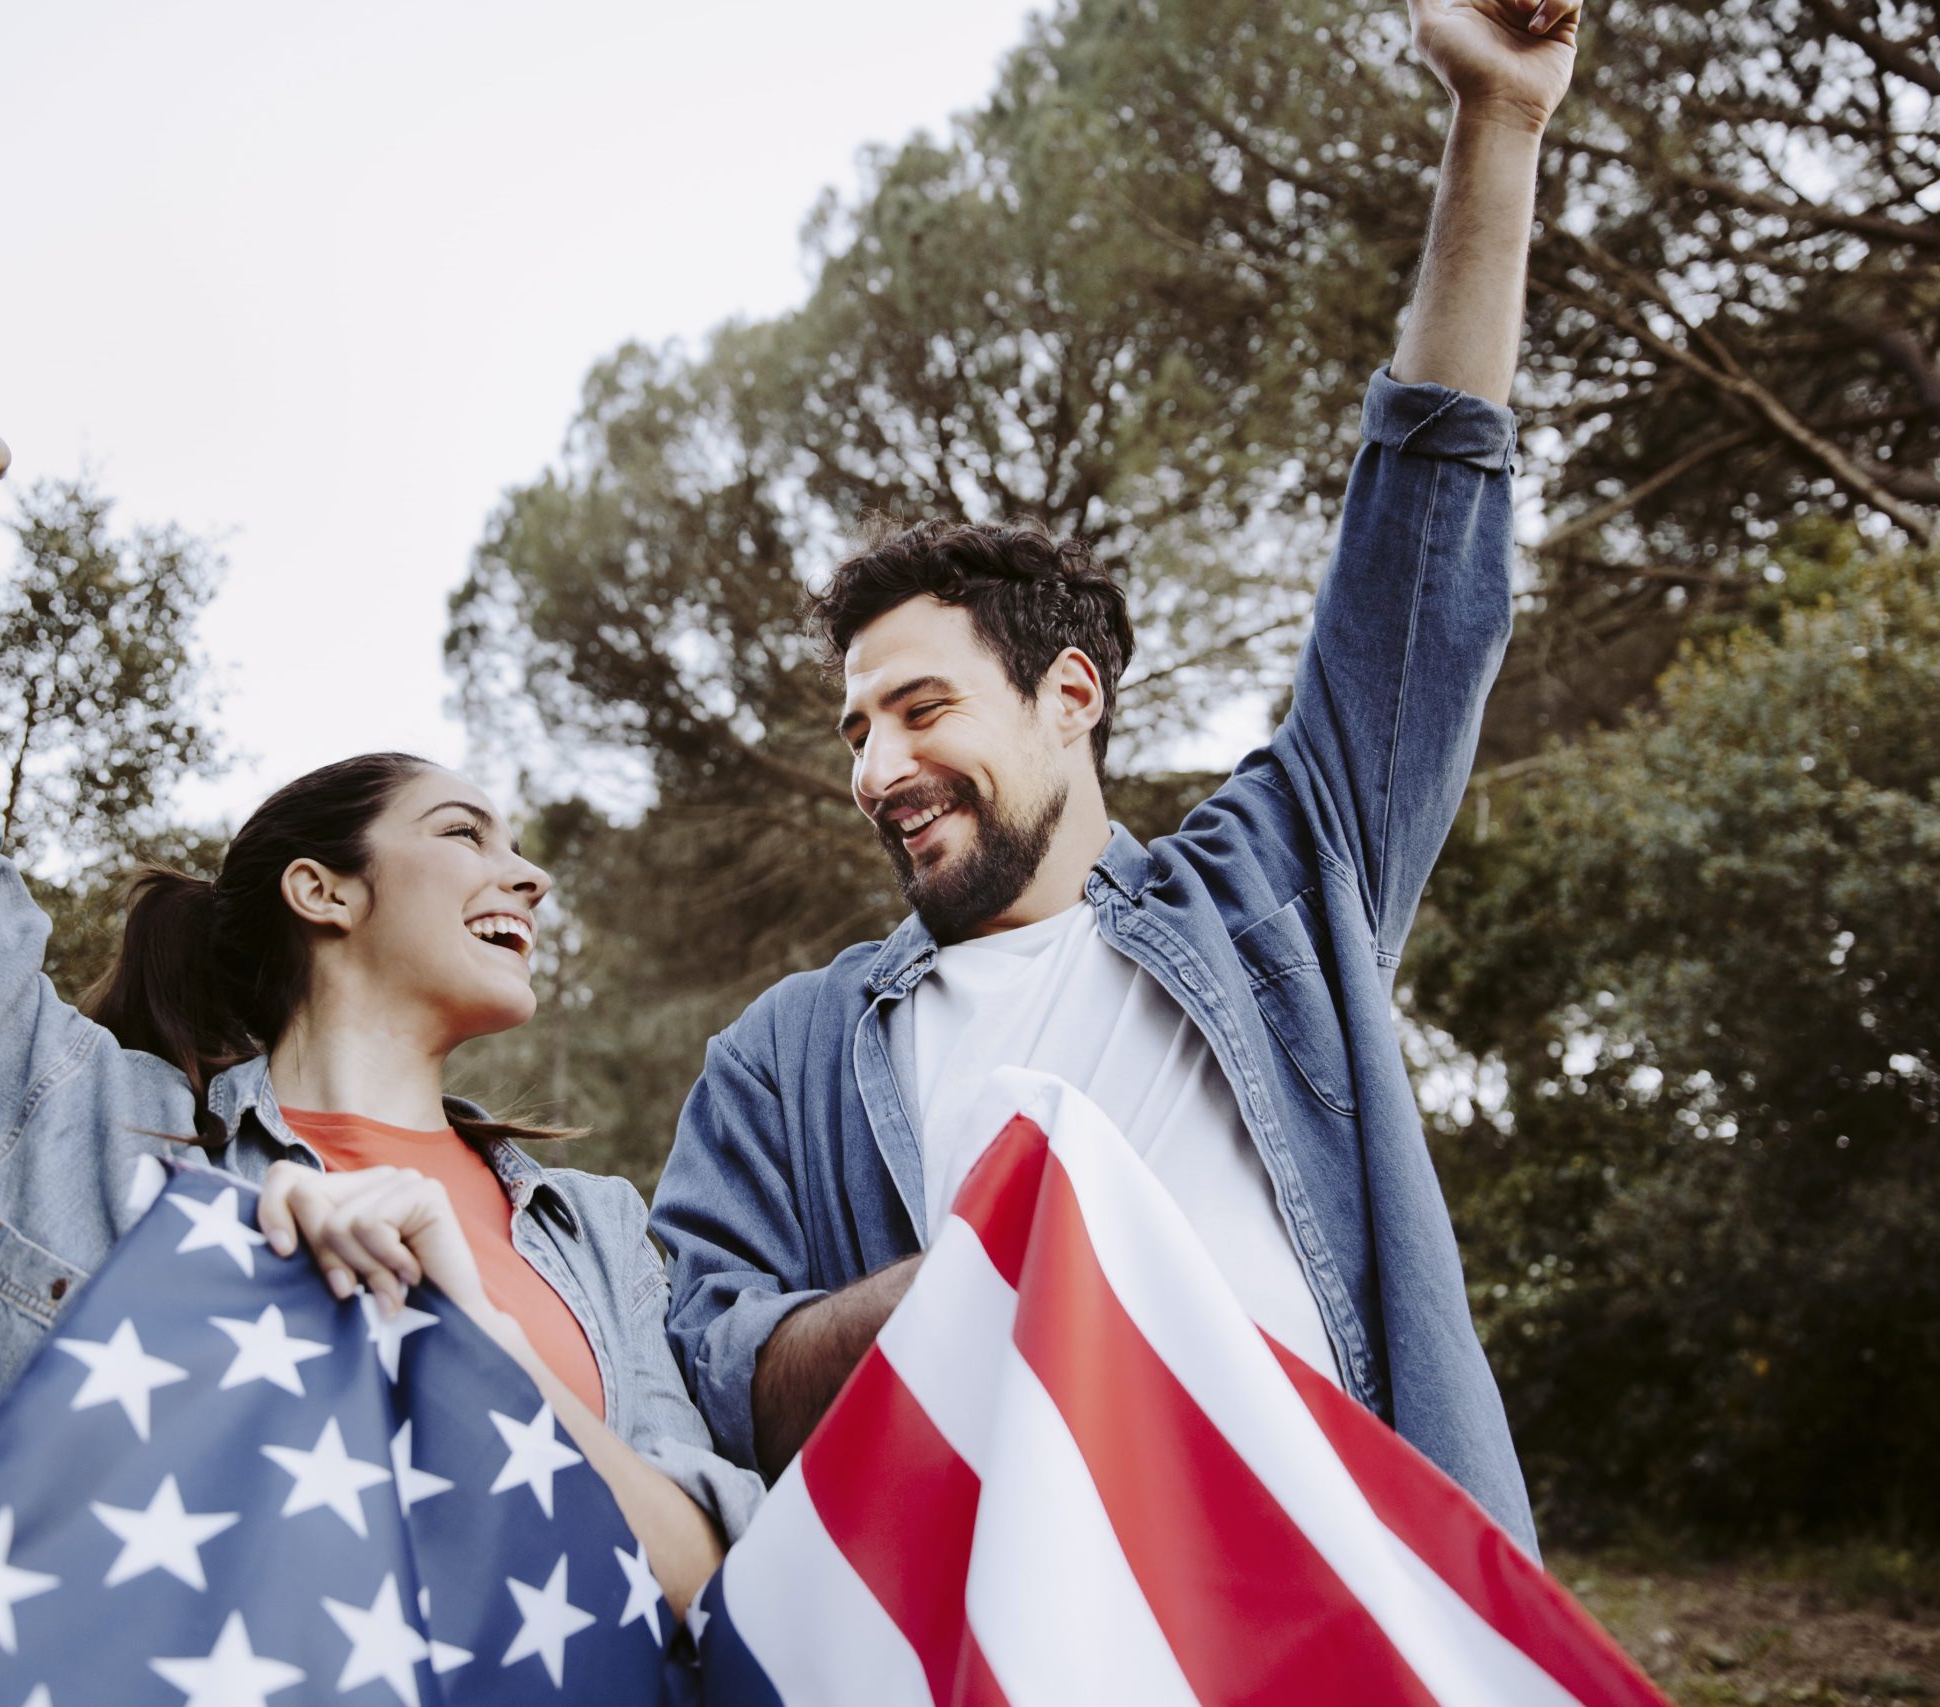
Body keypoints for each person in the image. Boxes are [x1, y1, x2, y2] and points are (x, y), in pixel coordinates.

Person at [0, 372, 758, 1707]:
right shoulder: (72, 1122)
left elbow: (707, 1577)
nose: (526, 876)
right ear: (323, 890)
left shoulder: (595, 1235)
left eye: (526, 851)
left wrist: (495, 1345)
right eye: (466, 833)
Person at [649, 0, 1579, 1552]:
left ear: (1069, 695)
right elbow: (724, 1376)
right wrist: (990, 1260)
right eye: (855, 732)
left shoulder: (1277, 893)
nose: (879, 766)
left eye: (923, 706)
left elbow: (1424, 550)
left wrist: (1499, 125)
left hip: (1341, 1614)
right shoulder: (785, 1055)